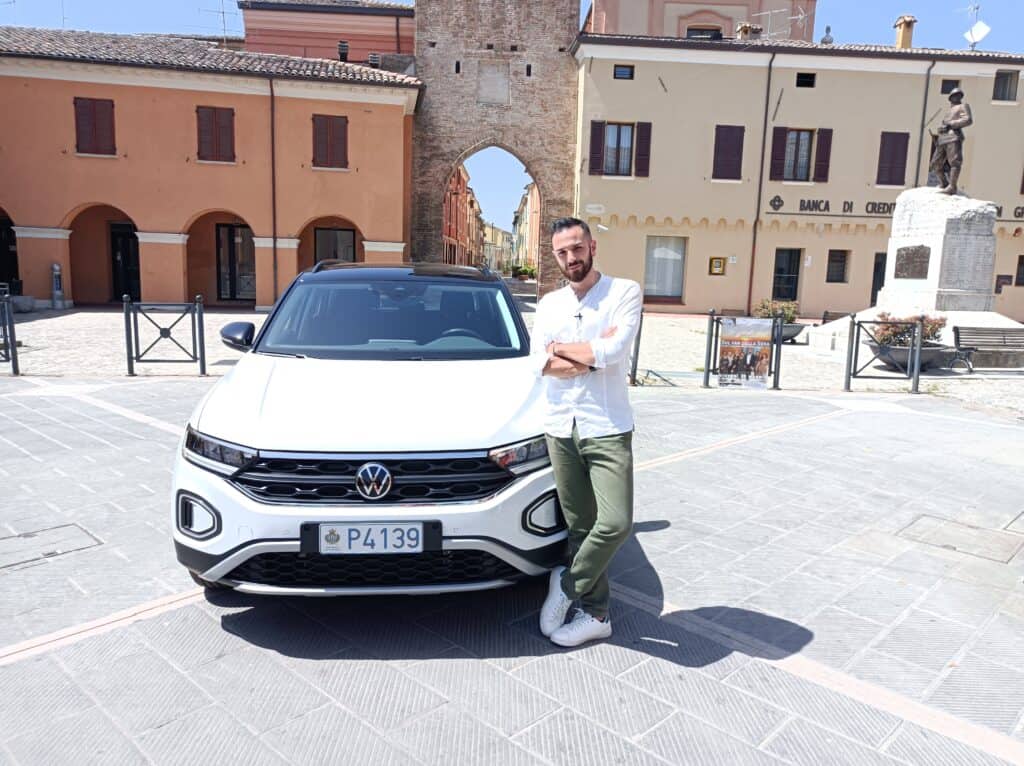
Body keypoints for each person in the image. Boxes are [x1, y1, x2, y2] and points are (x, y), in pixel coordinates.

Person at [530, 217, 642, 647]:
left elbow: (616, 349)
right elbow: (537, 363)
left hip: (607, 425)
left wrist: (558, 349)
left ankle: (566, 585)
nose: (571, 258)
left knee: (614, 523)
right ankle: (596, 615)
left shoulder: (623, 292)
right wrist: (589, 356)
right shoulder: (549, 304)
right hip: (560, 426)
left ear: (592, 246)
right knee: (580, 526)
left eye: (577, 248)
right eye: (562, 252)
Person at [929, 88, 972, 195]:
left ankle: (952, 186)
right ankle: (944, 183)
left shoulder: (963, 106)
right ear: (950, 98)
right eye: (954, 95)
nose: (956, 97)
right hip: (943, 139)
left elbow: (968, 120)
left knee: (955, 162)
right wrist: (941, 129)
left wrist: (951, 124)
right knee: (935, 163)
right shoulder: (949, 110)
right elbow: (946, 125)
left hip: (954, 137)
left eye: (958, 95)